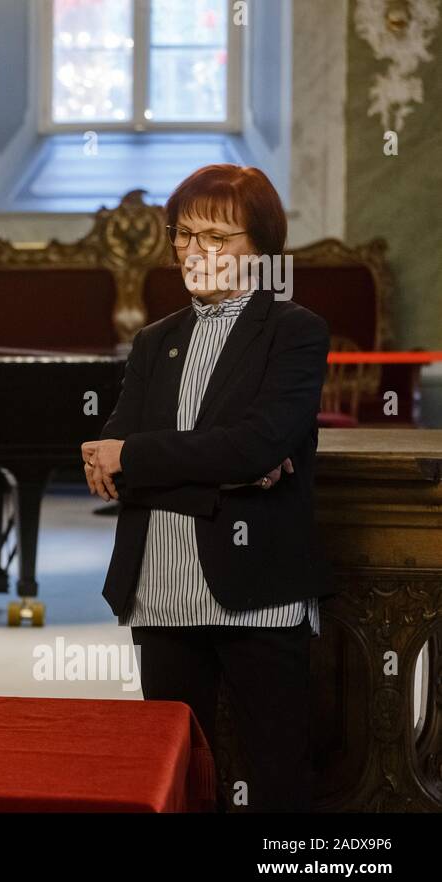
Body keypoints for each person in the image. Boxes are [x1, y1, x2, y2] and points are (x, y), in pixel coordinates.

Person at [82, 164, 333, 812]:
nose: (198, 252)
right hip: (159, 585)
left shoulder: (294, 331)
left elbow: (256, 443)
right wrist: (222, 475)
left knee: (278, 773)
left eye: (219, 238)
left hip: (257, 588)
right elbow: (111, 461)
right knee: (177, 772)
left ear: (261, 247)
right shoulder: (153, 341)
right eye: (186, 235)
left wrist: (143, 462)